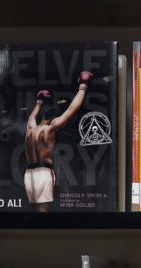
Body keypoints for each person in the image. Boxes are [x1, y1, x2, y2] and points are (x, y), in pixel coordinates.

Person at [24, 70, 94, 212]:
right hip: (43, 172)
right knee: (43, 211)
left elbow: (32, 117)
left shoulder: (30, 130)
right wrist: (83, 87)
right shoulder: (49, 130)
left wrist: (39, 103)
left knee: (34, 210)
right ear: (53, 119)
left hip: (29, 174)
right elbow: (70, 111)